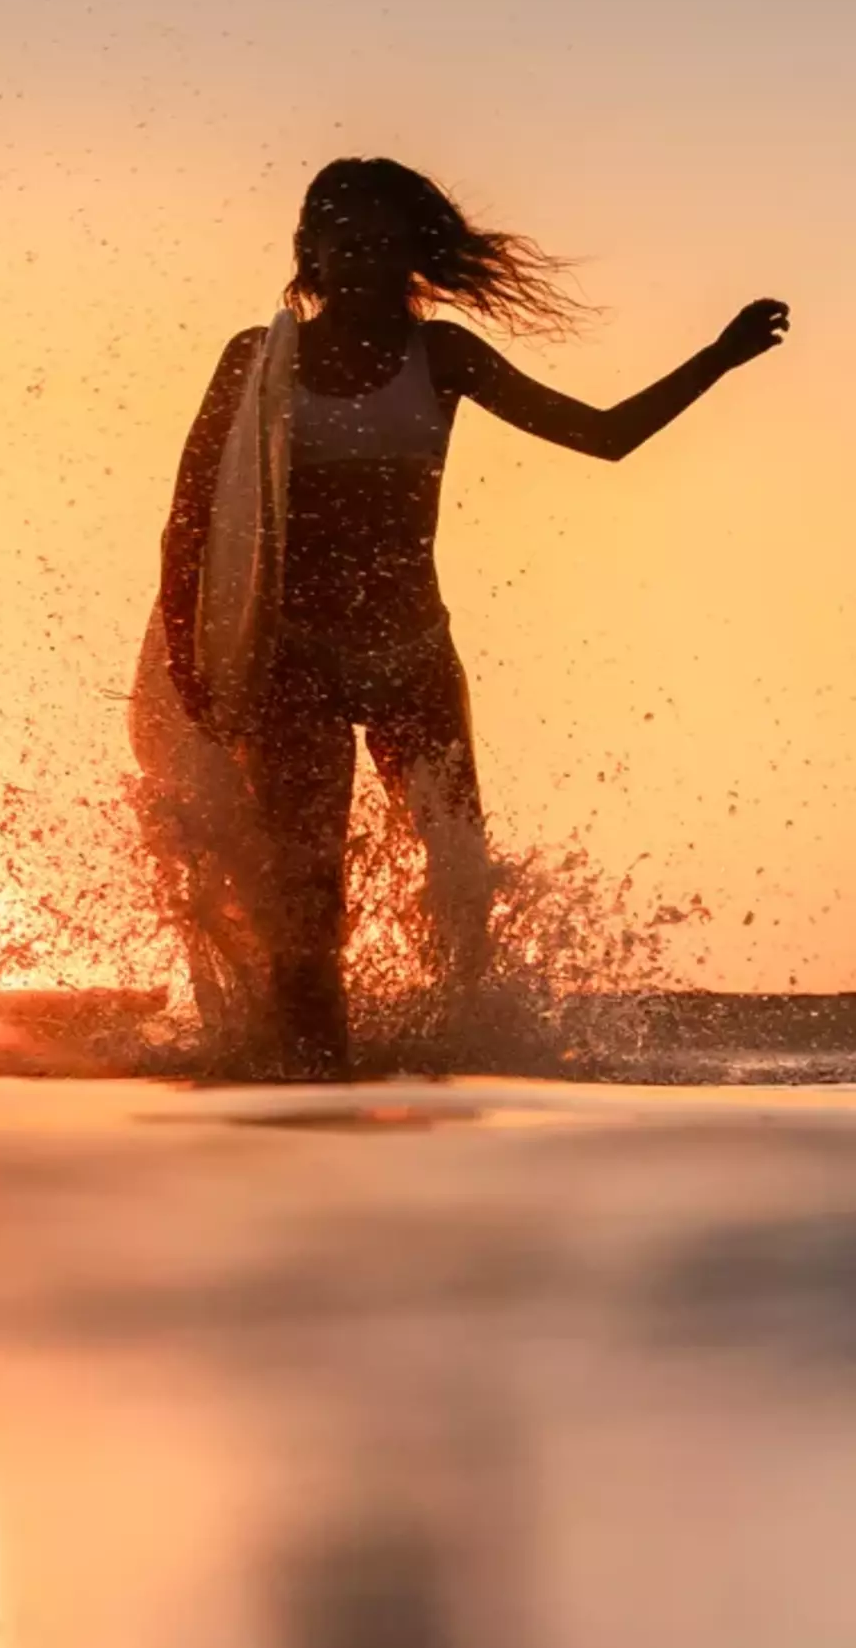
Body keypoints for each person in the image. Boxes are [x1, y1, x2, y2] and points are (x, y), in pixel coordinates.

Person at [137, 157, 786, 1077]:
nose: (355, 255)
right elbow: (192, 514)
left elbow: (601, 437)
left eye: (377, 238)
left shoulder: (441, 356)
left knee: (454, 880)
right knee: (307, 888)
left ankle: (450, 1060)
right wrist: (184, 657)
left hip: (410, 654)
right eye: (337, 237)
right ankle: (313, 1079)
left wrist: (717, 358)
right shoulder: (257, 357)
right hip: (289, 658)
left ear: (412, 252)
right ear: (306, 250)